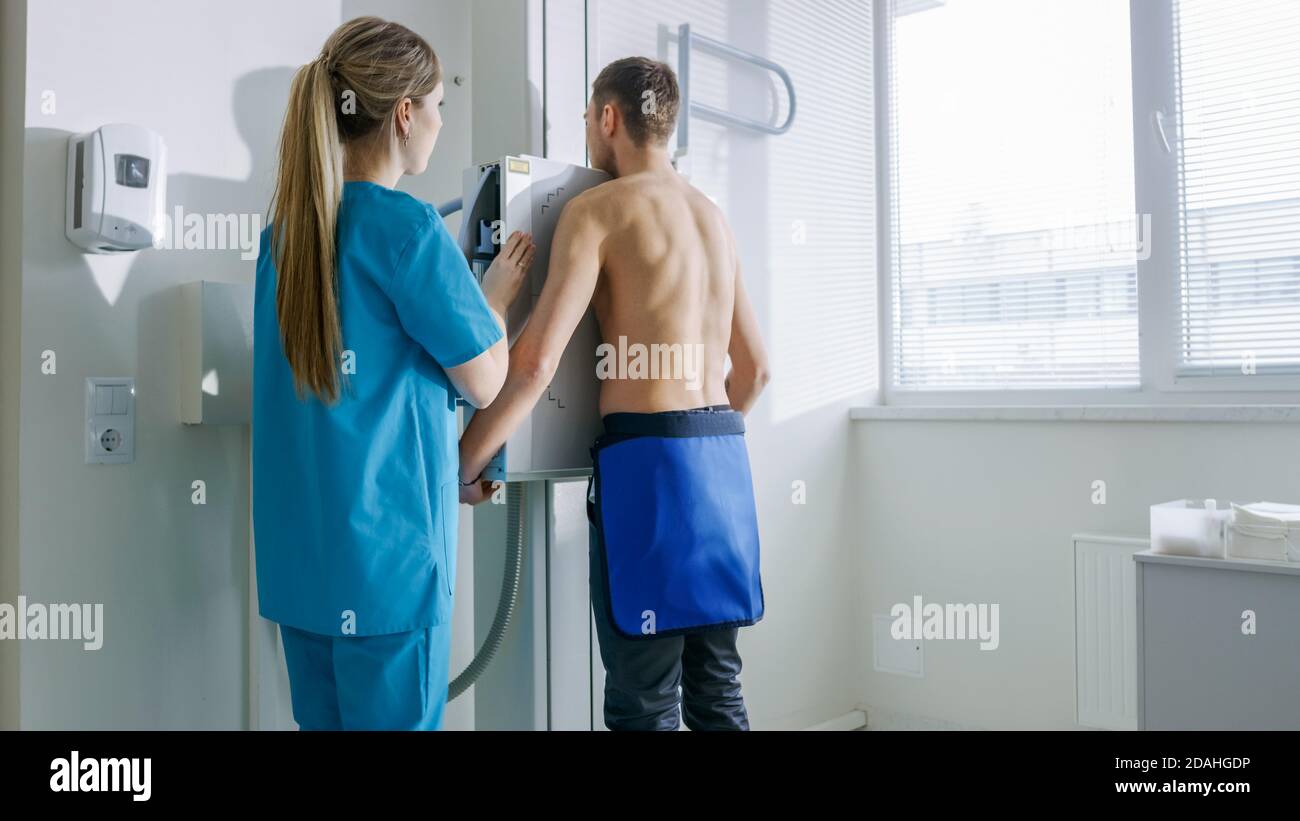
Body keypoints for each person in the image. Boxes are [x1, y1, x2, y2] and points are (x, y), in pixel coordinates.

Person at [457, 57, 771, 730]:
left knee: (644, 698)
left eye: (586, 121)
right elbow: (755, 373)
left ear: (608, 118)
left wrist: (466, 458)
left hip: (646, 470)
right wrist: (699, 452)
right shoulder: (714, 218)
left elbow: (537, 360)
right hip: (723, 469)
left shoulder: (595, 209)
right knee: (718, 691)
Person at [252, 16, 535, 730]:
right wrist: (492, 299)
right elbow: (487, 379)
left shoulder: (283, 238)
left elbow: (358, 386)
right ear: (404, 114)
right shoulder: (406, 229)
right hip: (390, 576)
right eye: (438, 104)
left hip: (303, 573)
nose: (441, 121)